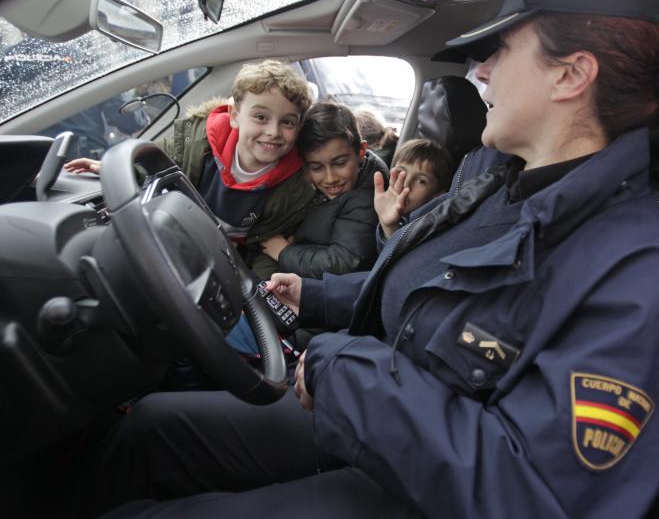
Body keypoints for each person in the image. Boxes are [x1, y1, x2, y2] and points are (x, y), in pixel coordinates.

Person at [84, 0, 659, 518]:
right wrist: (319, 296)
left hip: (419, 486)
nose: (479, 71)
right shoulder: (501, 187)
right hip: (385, 416)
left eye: (498, 51)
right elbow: (440, 291)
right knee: (152, 428)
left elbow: (533, 493)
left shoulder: (644, 276)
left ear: (571, 74)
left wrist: (347, 373)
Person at [65, 59, 316, 279]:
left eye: (287, 122)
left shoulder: (295, 188)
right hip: (172, 239)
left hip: (224, 262)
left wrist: (258, 286)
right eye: (260, 117)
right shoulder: (196, 141)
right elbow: (154, 162)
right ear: (234, 115)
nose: (273, 131)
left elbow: (265, 245)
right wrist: (118, 169)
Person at [225, 102, 388, 356]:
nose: (330, 178)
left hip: (309, 323)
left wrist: (284, 252)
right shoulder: (313, 189)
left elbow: (346, 261)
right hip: (281, 293)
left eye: (339, 162)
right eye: (316, 167)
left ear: (361, 152)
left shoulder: (367, 198)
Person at [374, 137, 454, 239]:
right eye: (400, 173)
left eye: (421, 181)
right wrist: (388, 227)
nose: (406, 185)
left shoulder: (433, 229)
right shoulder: (384, 210)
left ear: (438, 194)